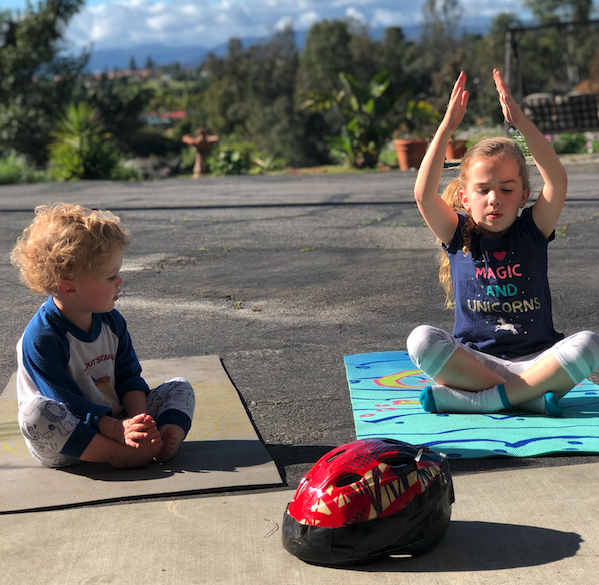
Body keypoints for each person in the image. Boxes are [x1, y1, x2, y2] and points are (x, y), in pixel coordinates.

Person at [407, 69, 599, 416]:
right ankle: (527, 399)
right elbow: (423, 194)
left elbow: (557, 179)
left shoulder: (532, 229)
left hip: (537, 364)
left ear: (524, 194)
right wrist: (447, 126)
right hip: (476, 365)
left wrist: (520, 121)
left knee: (589, 345)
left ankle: (483, 401)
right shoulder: (457, 232)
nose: (494, 198)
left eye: (507, 189)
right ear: (465, 197)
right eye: (483, 190)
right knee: (421, 340)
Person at [11, 202, 195, 468]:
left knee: (180, 387)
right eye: (110, 277)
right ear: (69, 287)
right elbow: (67, 403)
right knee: (35, 413)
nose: (120, 282)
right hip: (69, 440)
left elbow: (129, 377)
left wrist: (140, 423)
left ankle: (166, 439)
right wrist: (117, 432)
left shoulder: (111, 321)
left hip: (116, 418)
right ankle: (117, 455)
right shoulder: (42, 337)